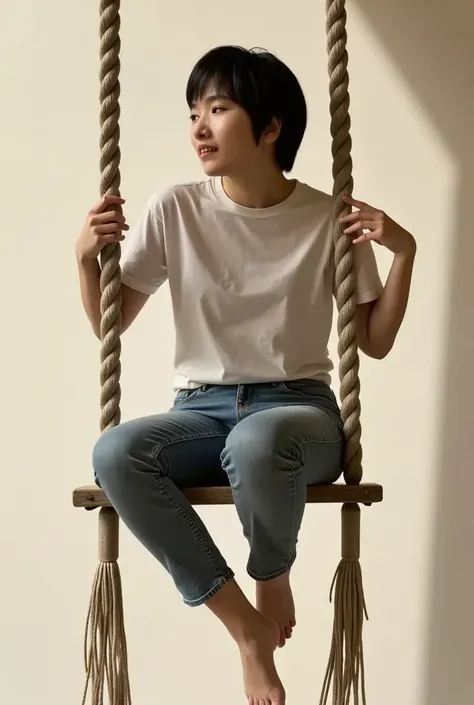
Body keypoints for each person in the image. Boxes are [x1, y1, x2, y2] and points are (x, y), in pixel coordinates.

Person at [76, 45, 416, 705]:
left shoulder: (326, 218)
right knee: (115, 451)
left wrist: (404, 251)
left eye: (219, 108)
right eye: (194, 111)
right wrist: (85, 259)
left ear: (269, 128)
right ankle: (246, 630)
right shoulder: (175, 209)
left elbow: (372, 341)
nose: (199, 126)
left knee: (257, 442)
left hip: (299, 414)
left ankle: (272, 570)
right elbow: (109, 322)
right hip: (201, 411)